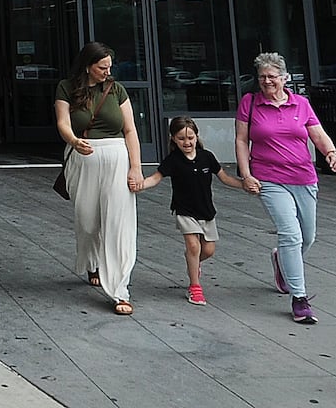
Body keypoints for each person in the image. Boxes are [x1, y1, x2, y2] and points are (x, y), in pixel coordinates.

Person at [235, 51, 336, 325]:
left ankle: (282, 262)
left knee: (308, 236)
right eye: (262, 78)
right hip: (269, 177)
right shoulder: (250, 103)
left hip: (304, 177)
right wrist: (246, 174)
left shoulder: (302, 104)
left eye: (272, 77)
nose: (267, 82)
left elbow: (317, 134)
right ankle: (299, 299)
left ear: (285, 78)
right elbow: (241, 140)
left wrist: (331, 152)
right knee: (290, 234)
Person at [53, 41, 143, 315]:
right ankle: (92, 261)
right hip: (84, 158)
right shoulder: (66, 88)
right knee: (88, 221)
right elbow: (62, 123)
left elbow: (130, 130)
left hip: (117, 157)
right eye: (102, 67)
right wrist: (73, 140)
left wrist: (136, 167)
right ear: (88, 66)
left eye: (109, 67)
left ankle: (119, 289)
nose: (107, 71)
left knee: (119, 223)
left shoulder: (117, 90)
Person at [133, 116, 246, 305]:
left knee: (208, 250)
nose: (187, 142)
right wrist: (140, 184)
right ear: (173, 139)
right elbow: (156, 178)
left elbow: (225, 178)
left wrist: (245, 185)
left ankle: (194, 263)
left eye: (190, 138)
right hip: (184, 210)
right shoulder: (173, 160)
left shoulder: (207, 157)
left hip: (206, 210)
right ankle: (195, 287)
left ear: (196, 137)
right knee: (193, 246)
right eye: (181, 138)